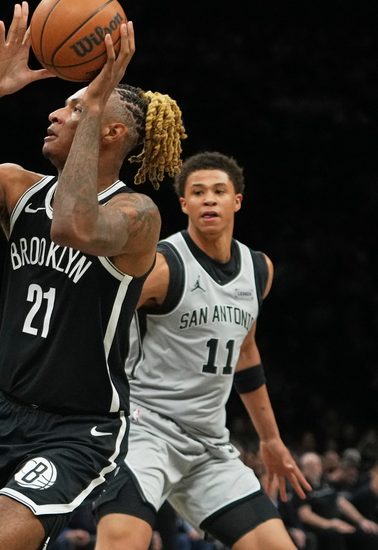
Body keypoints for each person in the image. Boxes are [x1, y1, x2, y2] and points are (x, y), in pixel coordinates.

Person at [0, 4, 186, 550]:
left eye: (75, 108)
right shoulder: (16, 188)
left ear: (112, 131)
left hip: (79, 430)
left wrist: (98, 96)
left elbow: (75, 228)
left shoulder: (138, 215)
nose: (55, 114)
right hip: (2, 415)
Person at [93, 151, 311, 550]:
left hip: (209, 444)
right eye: (198, 192)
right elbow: (93, 323)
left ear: (237, 201)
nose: (209, 199)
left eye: (218, 191)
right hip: (144, 431)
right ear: (184, 204)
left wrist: (271, 440)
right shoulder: (162, 265)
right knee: (122, 542)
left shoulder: (258, 269)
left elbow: (246, 352)